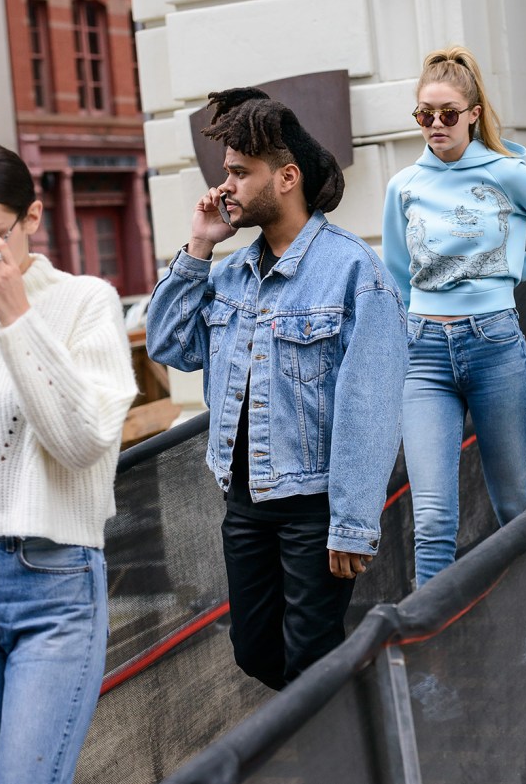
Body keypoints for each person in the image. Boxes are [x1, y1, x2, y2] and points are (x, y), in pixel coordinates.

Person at [146, 87, 408, 690]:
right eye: (225, 172)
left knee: (313, 663)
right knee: (254, 651)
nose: (225, 187)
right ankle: (350, 721)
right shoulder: (231, 269)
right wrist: (199, 247)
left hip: (314, 503)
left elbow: (367, 407)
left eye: (240, 173)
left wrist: (351, 521)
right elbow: (168, 345)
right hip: (244, 498)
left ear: (286, 177)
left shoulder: (354, 272)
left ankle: (342, 750)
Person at [0, 143, 137, 784]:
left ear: (33, 217)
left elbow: (83, 442)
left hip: (50, 583)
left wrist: (15, 313)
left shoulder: (87, 302)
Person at [382, 46, 526, 587]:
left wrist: (509, 270)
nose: (435, 124)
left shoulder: (506, 173)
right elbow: (398, 277)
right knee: (431, 519)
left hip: (494, 345)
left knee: (512, 504)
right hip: (423, 354)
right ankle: (434, 657)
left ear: (474, 112)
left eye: (448, 112)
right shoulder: (403, 187)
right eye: (424, 114)